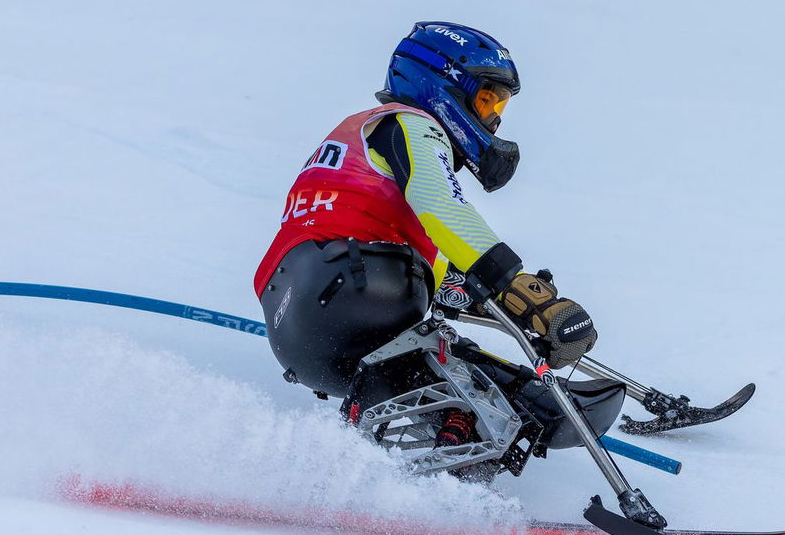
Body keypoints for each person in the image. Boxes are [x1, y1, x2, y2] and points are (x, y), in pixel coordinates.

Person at [253, 22, 598, 411]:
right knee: (479, 374)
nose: (493, 119)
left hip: (298, 323)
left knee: (442, 374)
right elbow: (440, 205)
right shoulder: (410, 122)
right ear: (440, 83)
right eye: (487, 100)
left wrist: (466, 287)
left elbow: (371, 219)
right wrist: (513, 286)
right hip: (355, 285)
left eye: (499, 106)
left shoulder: (359, 134)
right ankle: (534, 407)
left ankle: (459, 423)